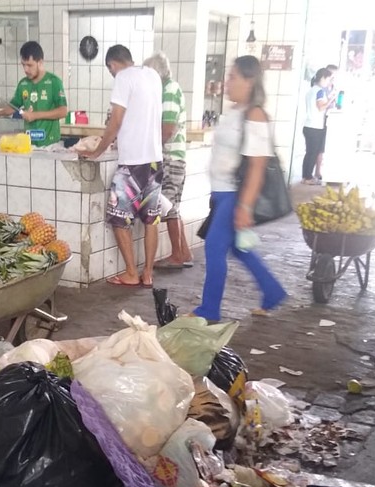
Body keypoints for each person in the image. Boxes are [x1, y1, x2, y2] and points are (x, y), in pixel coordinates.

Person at [192, 56, 287, 321]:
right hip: (221, 193)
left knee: (213, 247)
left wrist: (245, 206)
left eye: (233, 77)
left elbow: (257, 166)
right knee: (238, 248)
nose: (227, 82)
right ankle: (273, 291)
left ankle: (209, 310)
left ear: (250, 80)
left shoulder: (255, 115)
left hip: (234, 195)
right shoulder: (235, 112)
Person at [80, 45, 163, 288]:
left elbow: (115, 120)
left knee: (118, 219)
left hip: (132, 163)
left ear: (112, 65)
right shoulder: (153, 75)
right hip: (155, 160)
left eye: (110, 70)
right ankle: (147, 273)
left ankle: (130, 272)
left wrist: (97, 151)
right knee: (151, 220)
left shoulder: (123, 78)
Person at [144, 52, 193, 270]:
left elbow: (167, 128)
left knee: (170, 207)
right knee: (174, 206)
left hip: (171, 157)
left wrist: (150, 146)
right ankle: (184, 252)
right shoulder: (164, 90)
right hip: (175, 156)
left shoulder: (169, 90)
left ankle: (177, 255)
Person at [0, 41, 67, 147]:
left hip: (51, 145)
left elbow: (63, 111)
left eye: (29, 65)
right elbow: (12, 107)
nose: (25, 69)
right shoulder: (23, 84)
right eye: (23, 65)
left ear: (40, 62)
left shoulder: (54, 82)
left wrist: (35, 115)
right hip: (29, 144)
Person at [302, 67, 334, 185]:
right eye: (328, 79)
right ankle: (308, 177)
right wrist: (331, 100)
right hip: (316, 126)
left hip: (308, 125)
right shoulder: (320, 91)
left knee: (309, 152)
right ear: (323, 78)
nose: (329, 82)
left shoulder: (311, 90)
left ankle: (305, 177)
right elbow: (320, 107)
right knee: (313, 153)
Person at [315, 63, 339, 183]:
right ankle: (317, 172)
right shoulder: (321, 89)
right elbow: (321, 106)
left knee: (324, 147)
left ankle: (321, 171)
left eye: (334, 76)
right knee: (319, 147)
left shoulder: (332, 87)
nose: (332, 78)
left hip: (330, 119)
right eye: (330, 75)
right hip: (321, 120)